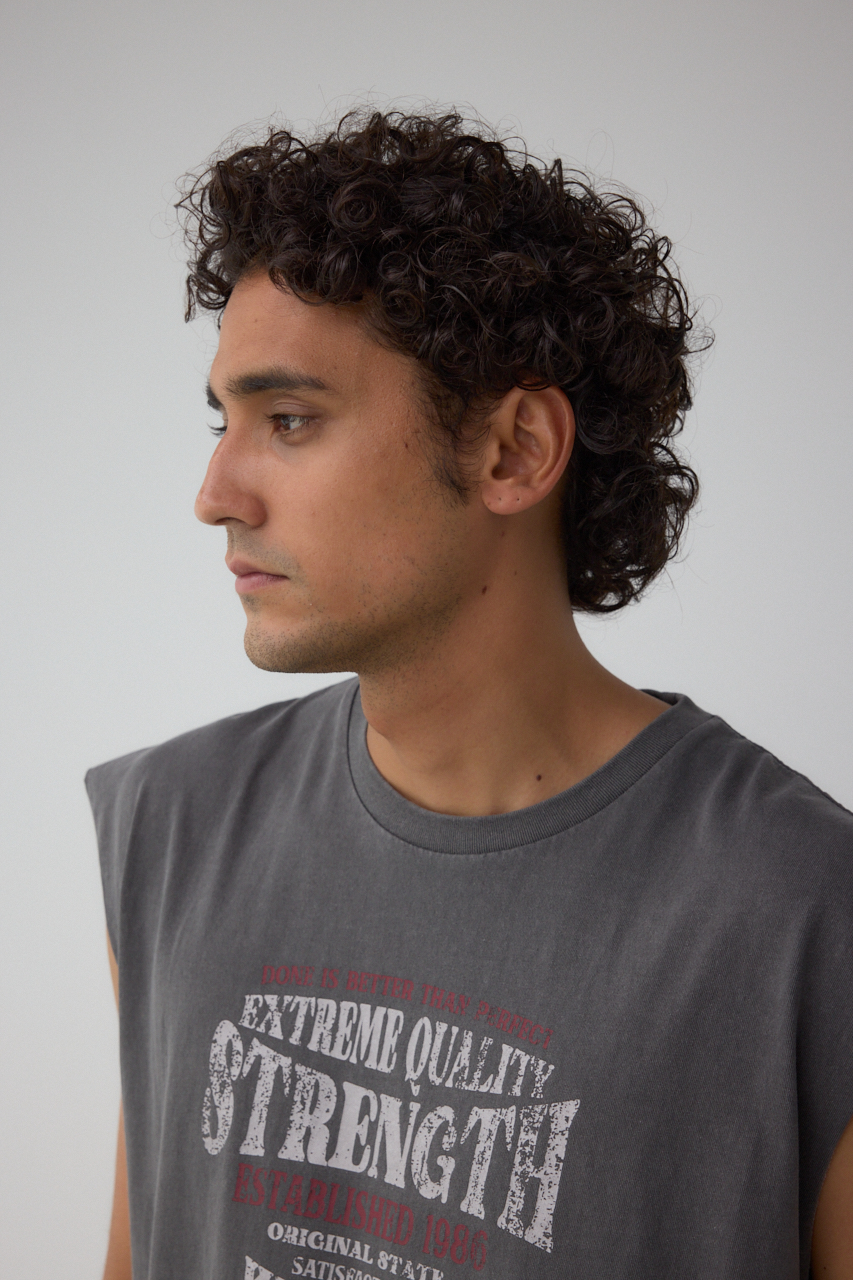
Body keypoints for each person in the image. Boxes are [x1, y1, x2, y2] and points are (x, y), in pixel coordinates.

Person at [87, 109, 853, 1280]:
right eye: (221, 420)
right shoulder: (170, 825)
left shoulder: (802, 909)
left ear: (513, 450)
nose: (215, 492)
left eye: (287, 420)